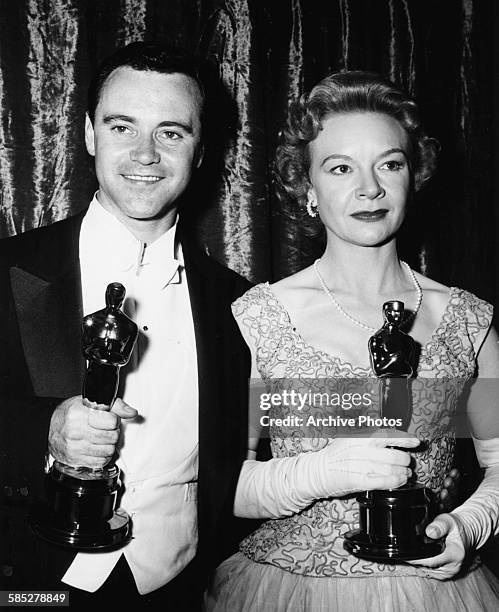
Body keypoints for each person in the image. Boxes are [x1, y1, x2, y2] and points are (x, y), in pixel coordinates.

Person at [207, 72, 499, 611]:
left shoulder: (467, 320)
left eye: (390, 164)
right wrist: (324, 471)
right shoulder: (259, 318)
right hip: (285, 591)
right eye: (340, 168)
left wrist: (467, 525)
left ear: (415, 176)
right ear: (307, 187)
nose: (370, 188)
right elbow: (223, 488)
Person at [0, 42, 251, 610]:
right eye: (122, 127)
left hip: (182, 588)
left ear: (201, 149)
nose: (145, 154)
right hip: (29, 590)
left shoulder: (239, 304)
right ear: (89, 134)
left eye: (171, 132)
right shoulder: (7, 271)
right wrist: (43, 429)